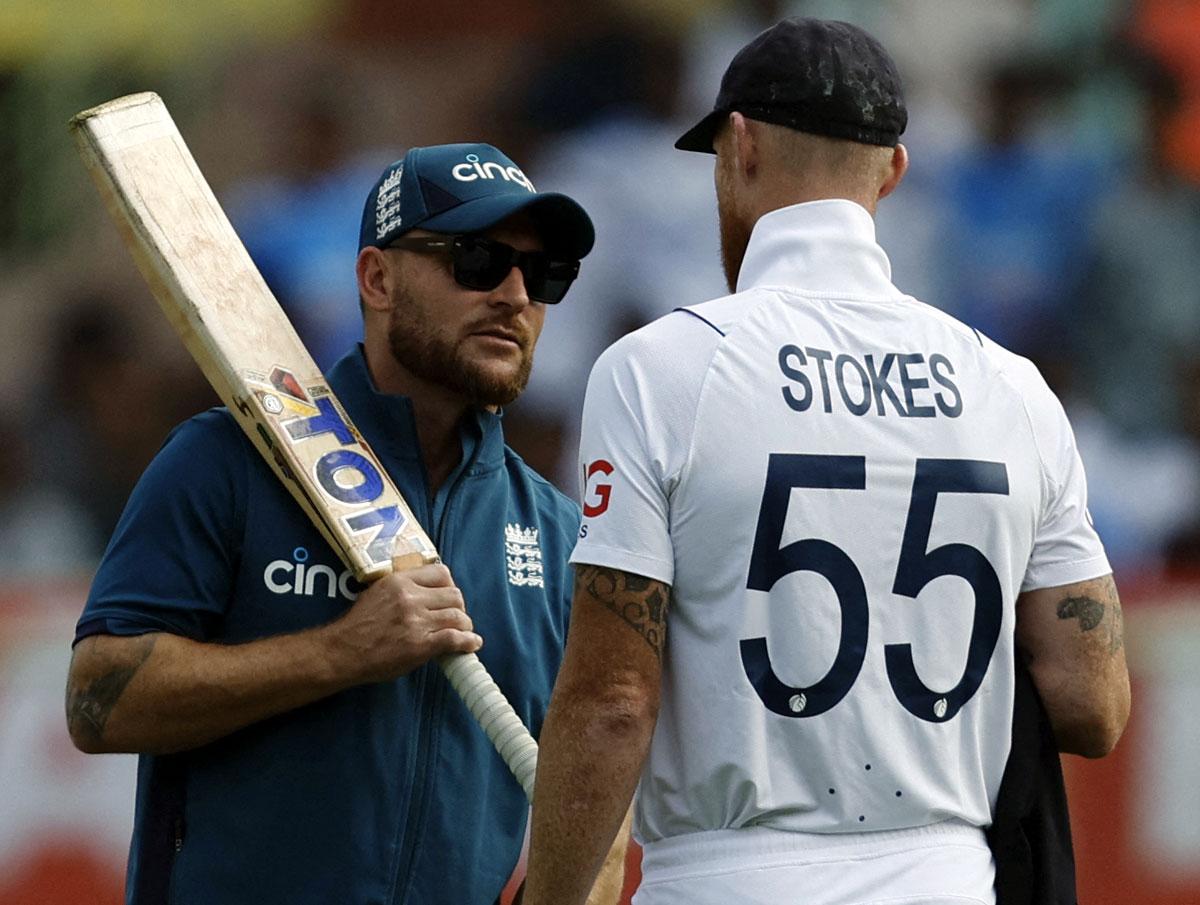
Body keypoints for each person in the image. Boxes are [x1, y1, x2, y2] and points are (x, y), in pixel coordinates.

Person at [523, 18, 1130, 905]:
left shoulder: (660, 369)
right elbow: (1094, 703)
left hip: (728, 879)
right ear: (892, 171)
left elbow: (615, 705)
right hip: (949, 879)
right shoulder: (1014, 387)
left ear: (738, 147)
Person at [65, 142, 625, 905]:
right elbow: (97, 699)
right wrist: (342, 651)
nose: (516, 296)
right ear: (377, 278)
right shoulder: (226, 460)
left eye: (545, 274)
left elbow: (593, 801)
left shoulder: (558, 533)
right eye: (477, 259)